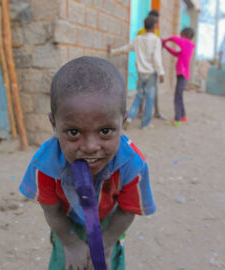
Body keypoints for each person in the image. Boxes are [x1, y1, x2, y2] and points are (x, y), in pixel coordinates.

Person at [19, 56, 156, 269]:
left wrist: (107, 243)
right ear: (54, 124)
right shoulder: (45, 165)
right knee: (65, 262)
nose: (91, 146)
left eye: (105, 131)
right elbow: (52, 212)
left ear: (123, 122)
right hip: (66, 225)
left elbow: (126, 211)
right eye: (73, 132)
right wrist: (72, 244)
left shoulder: (132, 165)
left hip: (110, 224)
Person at [110, 16, 164, 129]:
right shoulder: (155, 40)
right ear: (154, 26)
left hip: (141, 73)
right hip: (151, 74)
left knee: (138, 96)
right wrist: (161, 73)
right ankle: (145, 123)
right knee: (149, 98)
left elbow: (125, 49)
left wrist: (113, 52)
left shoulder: (138, 39)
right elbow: (156, 58)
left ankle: (129, 118)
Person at [162, 27, 195, 126]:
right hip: (182, 75)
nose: (180, 36)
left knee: (177, 97)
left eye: (181, 34)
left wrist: (164, 40)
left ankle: (177, 120)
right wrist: (166, 46)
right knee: (179, 96)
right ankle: (183, 116)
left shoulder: (187, 43)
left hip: (182, 74)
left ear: (186, 35)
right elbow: (176, 53)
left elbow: (174, 38)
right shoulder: (187, 47)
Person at [137, 9, 166, 120]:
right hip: (144, 67)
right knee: (142, 92)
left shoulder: (157, 33)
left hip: (152, 68)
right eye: (155, 21)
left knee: (153, 92)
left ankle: (156, 112)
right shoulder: (140, 33)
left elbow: (157, 51)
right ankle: (140, 111)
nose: (156, 24)